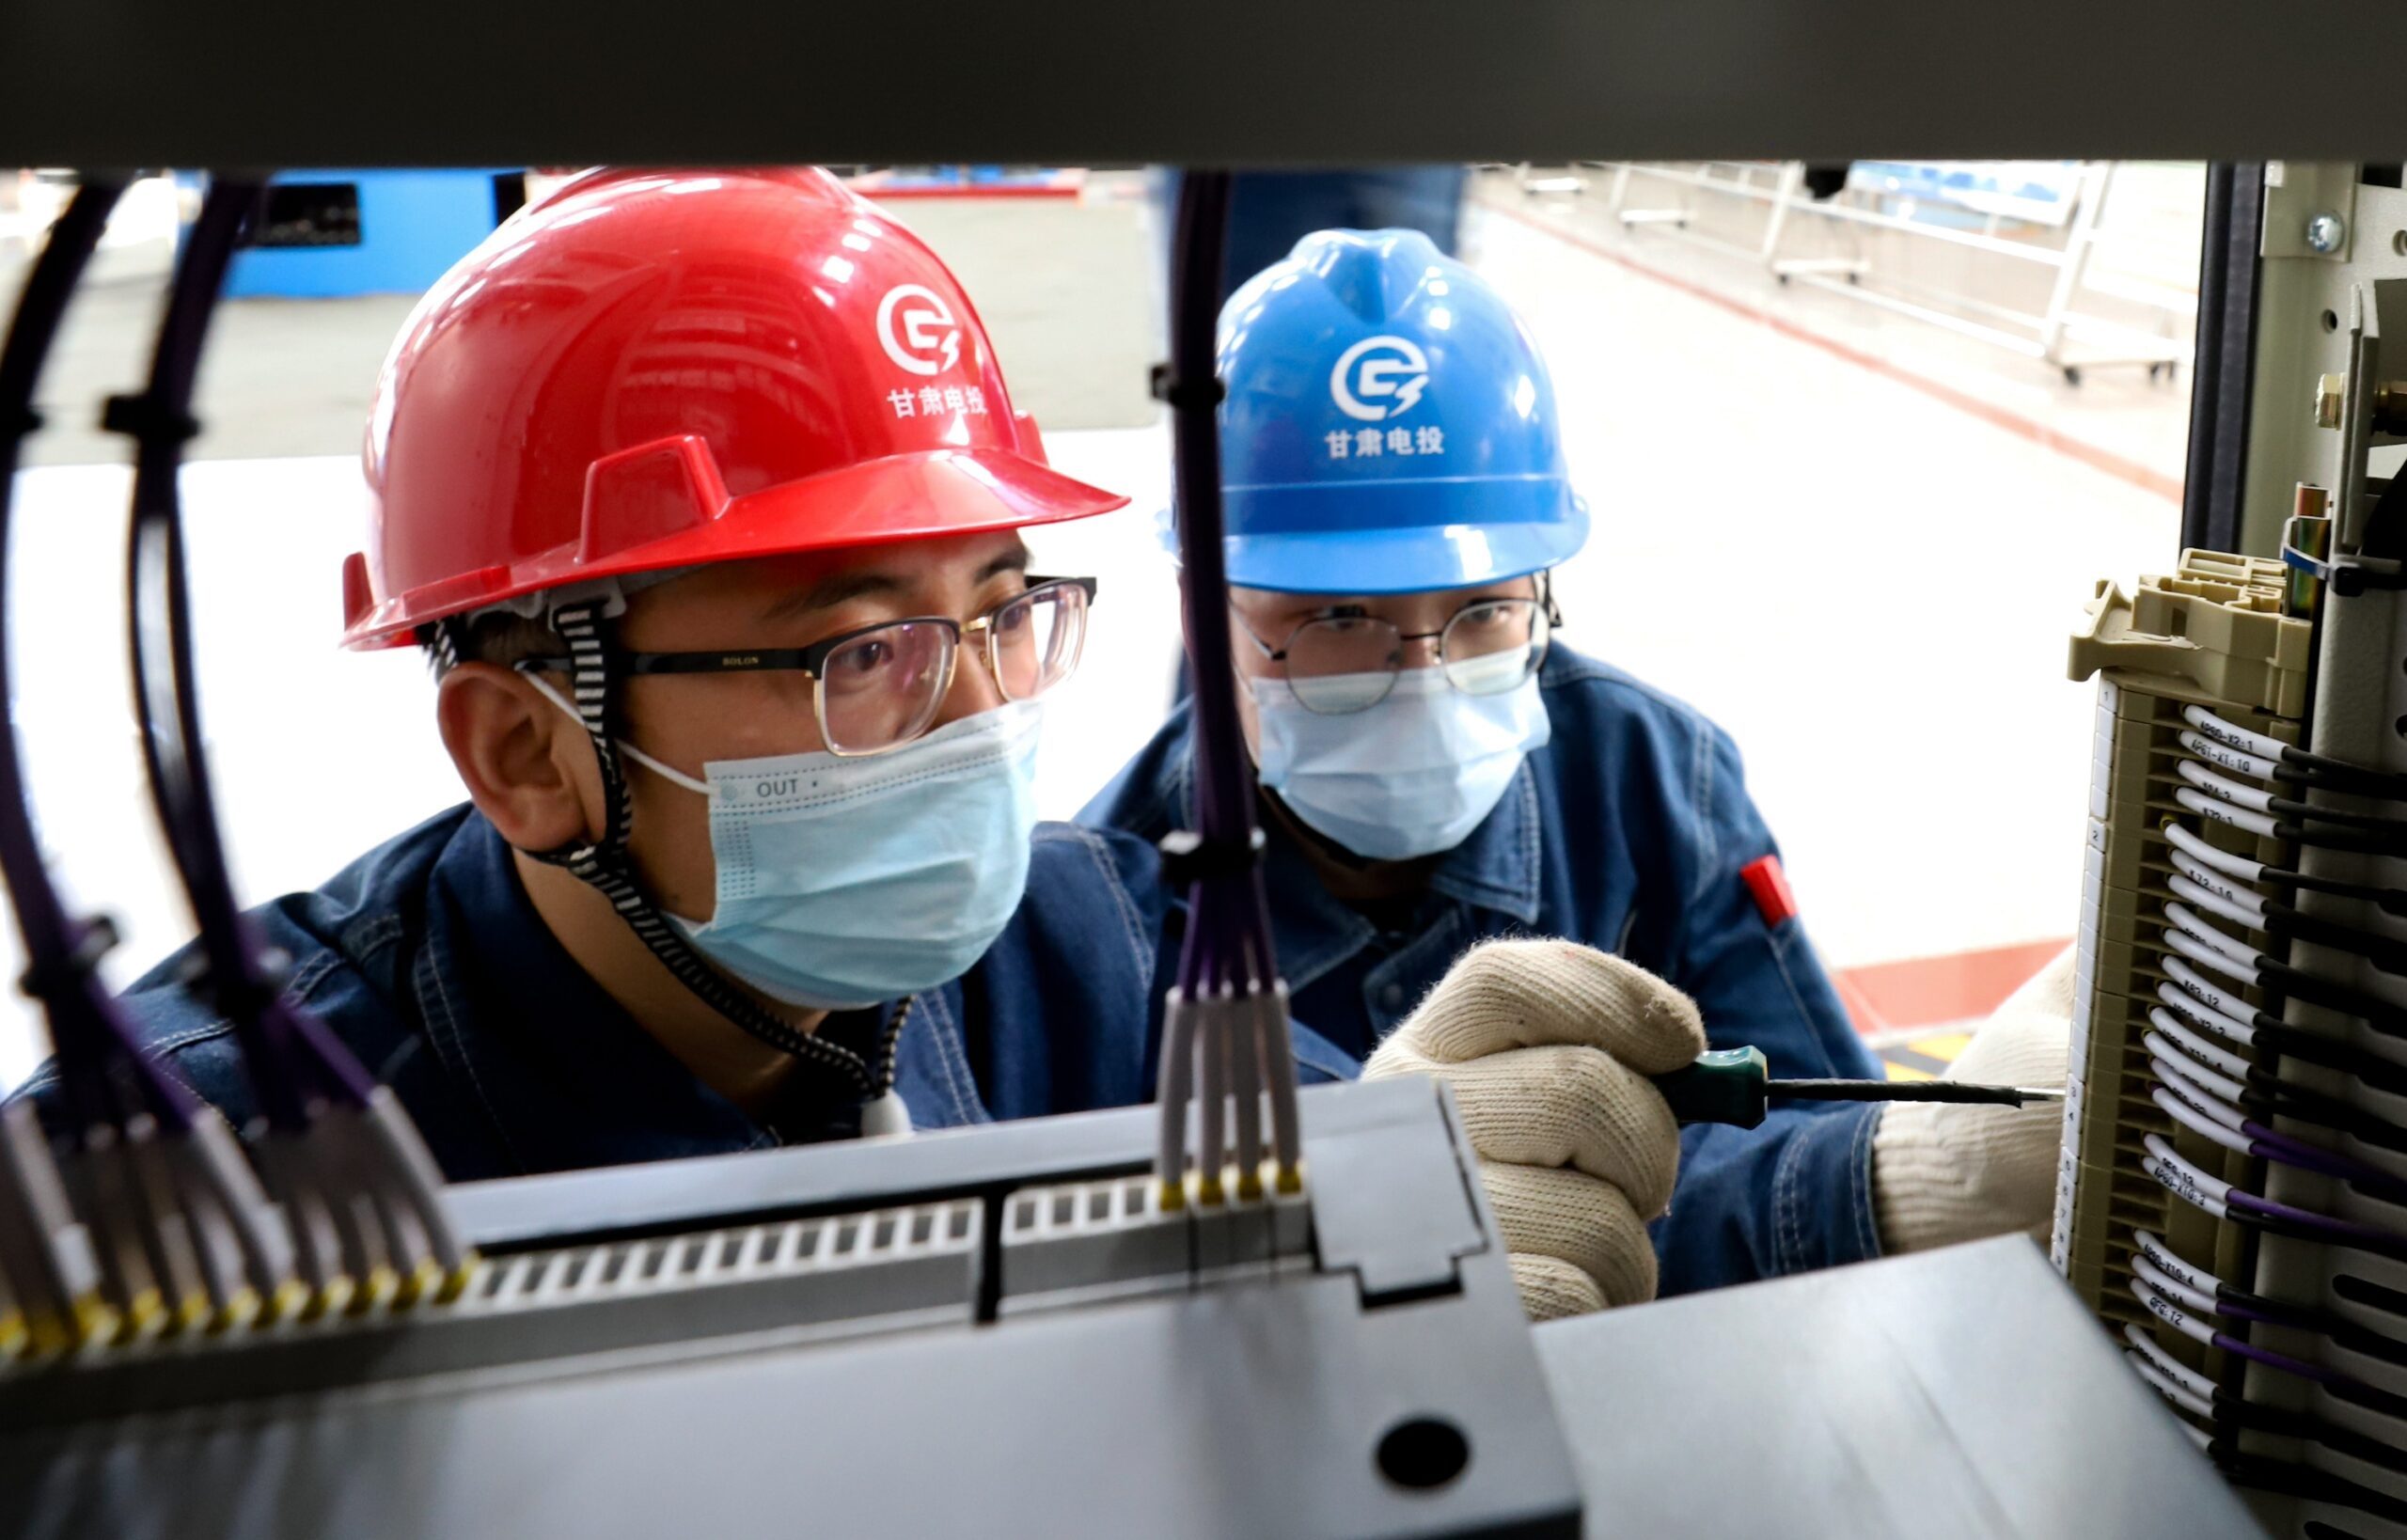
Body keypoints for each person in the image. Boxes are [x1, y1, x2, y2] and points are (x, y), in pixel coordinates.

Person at [10, 173, 1713, 1327]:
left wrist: (1406, 1182)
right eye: (860, 648)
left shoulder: (1088, 946)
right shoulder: (182, 1176)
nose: (980, 715)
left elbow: (1433, 1217)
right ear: (525, 748)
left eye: (1002, 608)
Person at [1082, 228, 2067, 1303]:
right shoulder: (1106, 921)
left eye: (1484, 613)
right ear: (1198, 605)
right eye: (1334, 619)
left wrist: (1906, 1178)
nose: (1424, 677)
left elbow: (1805, 1128)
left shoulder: (1652, 782)